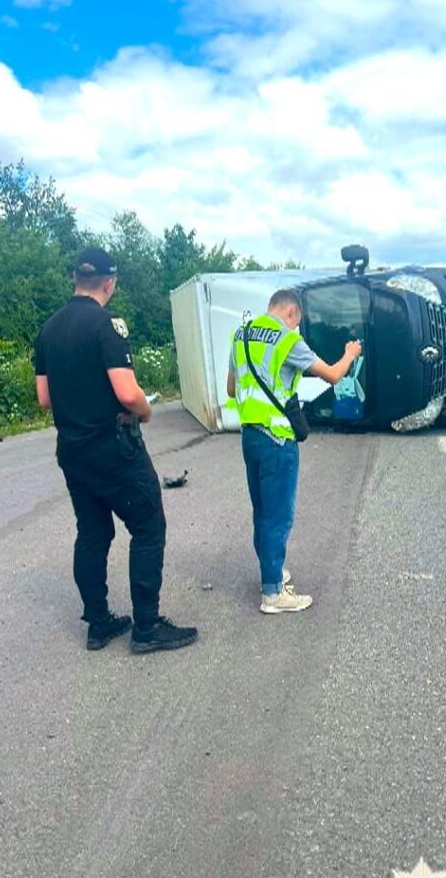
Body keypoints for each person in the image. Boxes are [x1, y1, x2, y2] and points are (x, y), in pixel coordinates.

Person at [35, 247, 197, 653]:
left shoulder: (48, 330)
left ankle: (99, 623)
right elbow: (127, 392)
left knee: (92, 533)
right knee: (148, 526)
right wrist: (145, 410)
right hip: (113, 448)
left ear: (76, 278)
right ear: (110, 282)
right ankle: (146, 627)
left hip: (72, 450)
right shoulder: (106, 327)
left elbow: (43, 399)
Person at [227, 289, 362, 614]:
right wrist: (350, 353)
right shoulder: (286, 340)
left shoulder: (241, 335)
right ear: (291, 313)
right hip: (277, 438)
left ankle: (271, 572)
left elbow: (231, 389)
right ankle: (273, 594)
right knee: (278, 516)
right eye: (295, 323)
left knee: (262, 511)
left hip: (250, 436)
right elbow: (332, 374)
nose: (294, 329)